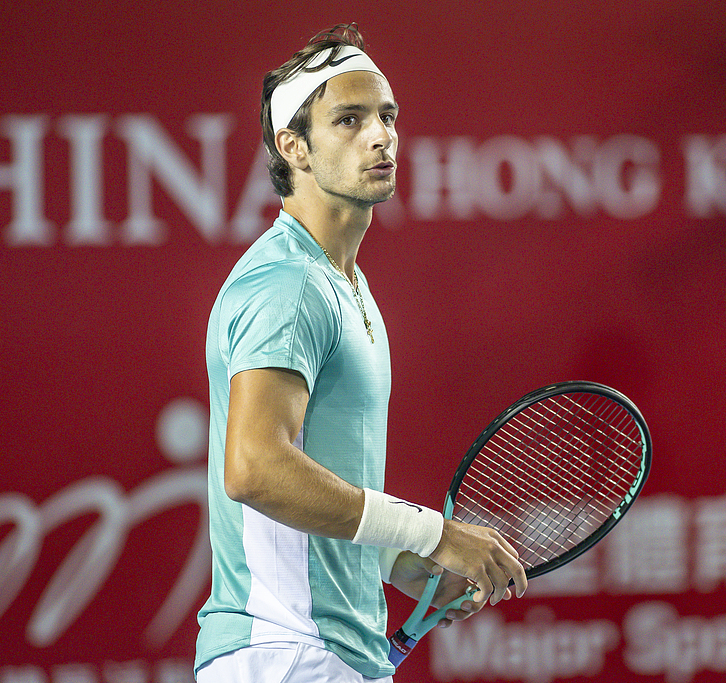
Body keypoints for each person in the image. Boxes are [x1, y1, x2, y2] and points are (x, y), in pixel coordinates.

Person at [194, 23, 527, 682]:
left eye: (387, 116)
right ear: (293, 147)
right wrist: (433, 533)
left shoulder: (345, 285)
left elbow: (314, 499)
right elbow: (255, 469)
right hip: (286, 652)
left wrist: (399, 563)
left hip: (332, 653)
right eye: (349, 120)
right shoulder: (289, 284)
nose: (381, 136)